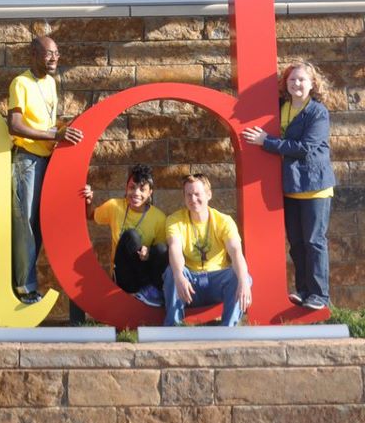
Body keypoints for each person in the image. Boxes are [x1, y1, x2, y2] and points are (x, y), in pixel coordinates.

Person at [242, 60, 335, 310]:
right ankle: (304, 291)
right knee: (296, 242)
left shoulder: (317, 112)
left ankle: (320, 295)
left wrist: (266, 141)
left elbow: (305, 148)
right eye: (292, 79)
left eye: (301, 79)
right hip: (291, 186)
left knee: (314, 241)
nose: (296, 84)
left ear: (312, 83)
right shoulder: (281, 107)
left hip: (315, 187)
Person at [7, 36, 84, 308]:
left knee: (41, 225)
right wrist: (53, 133)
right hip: (26, 161)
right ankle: (24, 289)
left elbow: (49, 122)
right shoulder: (21, 83)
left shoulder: (51, 83)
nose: (54, 58)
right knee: (24, 223)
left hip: (48, 159)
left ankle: (21, 283)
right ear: (34, 53)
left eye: (57, 53)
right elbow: (14, 125)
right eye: (49, 53)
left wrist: (67, 130)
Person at [163, 174, 252, 326]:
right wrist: (179, 276)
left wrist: (244, 281)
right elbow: (175, 249)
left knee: (242, 276)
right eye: (188, 195)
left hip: (216, 281)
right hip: (190, 283)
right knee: (172, 272)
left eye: (197, 194)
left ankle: (228, 330)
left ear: (209, 194)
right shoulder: (175, 220)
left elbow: (236, 253)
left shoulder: (223, 221)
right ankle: (173, 327)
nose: (193, 199)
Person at [81, 164, 169, 307]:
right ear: (126, 188)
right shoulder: (114, 206)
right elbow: (91, 215)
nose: (136, 193)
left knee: (161, 248)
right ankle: (145, 290)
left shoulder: (159, 218)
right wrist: (88, 201)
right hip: (124, 274)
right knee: (131, 236)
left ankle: (151, 292)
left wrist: (148, 252)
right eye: (132, 187)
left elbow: (160, 253)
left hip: (147, 273)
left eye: (142, 189)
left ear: (150, 193)